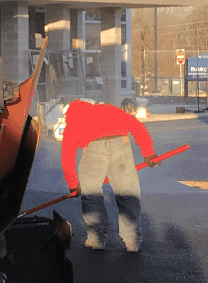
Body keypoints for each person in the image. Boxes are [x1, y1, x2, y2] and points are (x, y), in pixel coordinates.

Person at [60, 100, 159, 253]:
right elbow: (137, 125)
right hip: (121, 146)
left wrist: (73, 184)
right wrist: (148, 152)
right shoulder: (108, 109)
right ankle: (133, 241)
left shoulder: (73, 121)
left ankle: (97, 239)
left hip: (93, 151)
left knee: (92, 195)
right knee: (127, 194)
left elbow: (68, 156)